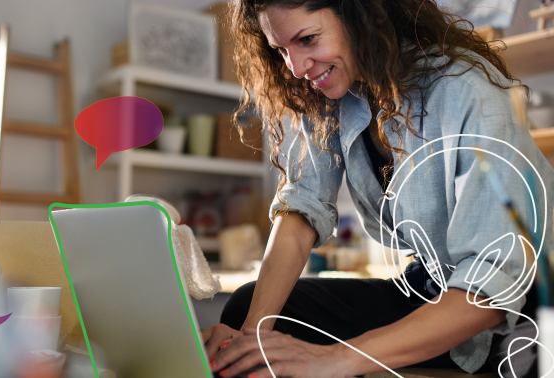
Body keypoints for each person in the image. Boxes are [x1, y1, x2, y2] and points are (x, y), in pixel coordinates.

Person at [201, 1, 554, 377]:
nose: (296, 67)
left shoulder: (466, 89)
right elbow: (301, 208)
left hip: (522, 308)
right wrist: (252, 337)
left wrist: (338, 358)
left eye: (307, 39)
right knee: (247, 312)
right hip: (430, 288)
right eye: (282, 50)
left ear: (360, 15)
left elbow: (494, 286)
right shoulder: (334, 94)